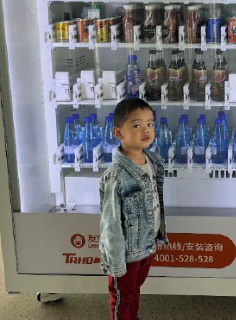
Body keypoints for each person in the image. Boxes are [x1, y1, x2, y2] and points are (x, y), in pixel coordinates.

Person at [99, 98, 168, 319]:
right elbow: (110, 224)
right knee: (123, 296)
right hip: (126, 253)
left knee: (134, 291)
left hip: (146, 245)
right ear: (118, 133)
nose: (145, 130)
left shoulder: (152, 161)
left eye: (150, 124)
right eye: (137, 125)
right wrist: (116, 264)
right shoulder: (117, 176)